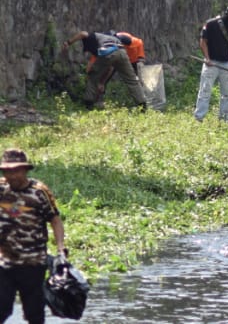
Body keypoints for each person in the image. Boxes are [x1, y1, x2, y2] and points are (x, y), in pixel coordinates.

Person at [0, 148, 67, 324]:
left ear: (25, 170)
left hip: (33, 263)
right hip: (4, 262)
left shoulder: (39, 192)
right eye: (7, 171)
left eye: (16, 171)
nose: (11, 176)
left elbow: (55, 221)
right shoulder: (1, 189)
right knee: (1, 309)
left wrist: (60, 249)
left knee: (34, 313)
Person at [62, 30, 147, 110]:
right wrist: (102, 82)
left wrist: (68, 42)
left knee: (93, 76)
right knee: (132, 79)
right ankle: (142, 105)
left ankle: (88, 103)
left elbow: (82, 33)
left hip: (107, 51)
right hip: (122, 52)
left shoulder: (94, 36)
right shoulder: (110, 38)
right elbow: (110, 68)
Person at [195, 6, 228, 123]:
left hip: (226, 63)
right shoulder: (211, 24)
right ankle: (199, 117)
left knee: (227, 92)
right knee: (205, 90)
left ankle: (224, 118)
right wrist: (207, 58)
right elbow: (203, 42)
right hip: (211, 62)